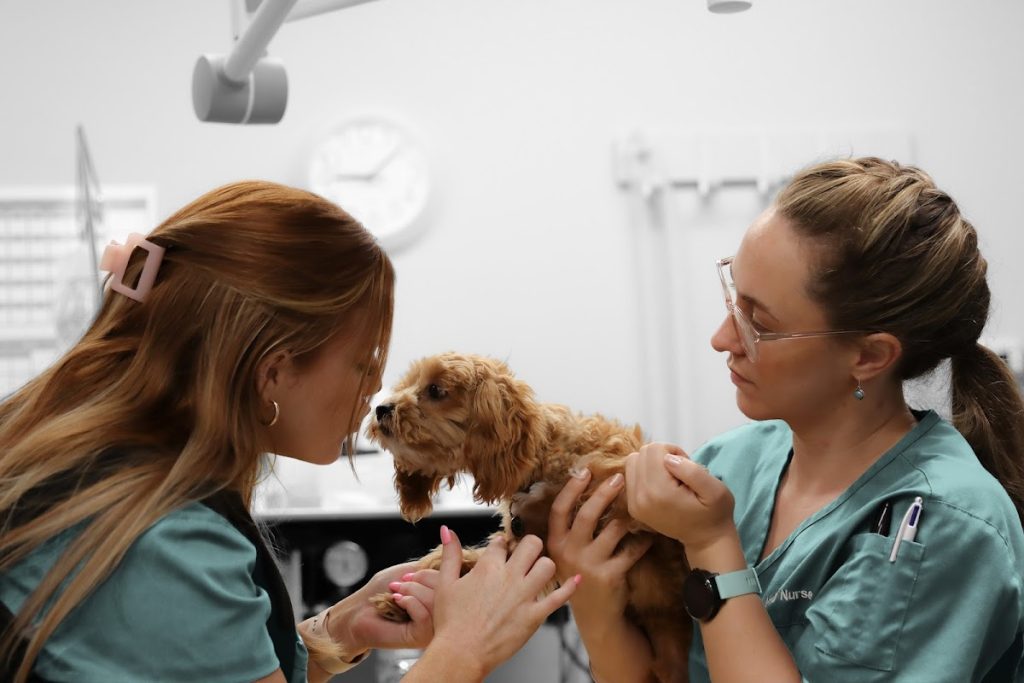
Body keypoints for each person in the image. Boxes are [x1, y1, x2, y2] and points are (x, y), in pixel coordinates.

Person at [0, 180, 577, 683]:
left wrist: (339, 628)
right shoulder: (164, 544)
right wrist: (462, 651)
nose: (375, 389)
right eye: (364, 361)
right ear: (273, 371)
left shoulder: (112, 477)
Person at [548, 157, 1024, 682]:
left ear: (869, 356)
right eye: (733, 299)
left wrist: (712, 547)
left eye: (760, 323)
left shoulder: (939, 527)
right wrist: (596, 610)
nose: (722, 339)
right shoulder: (732, 462)